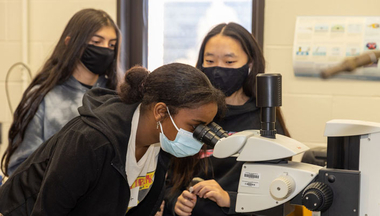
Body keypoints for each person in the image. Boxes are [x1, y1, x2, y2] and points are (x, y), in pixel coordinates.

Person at [0, 63, 226, 215]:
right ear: (160, 111)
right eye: (195, 126)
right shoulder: (91, 141)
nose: (198, 136)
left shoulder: (161, 142)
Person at [164, 22, 291, 216]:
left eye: (229, 62)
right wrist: (175, 204)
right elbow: (169, 181)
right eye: (210, 61)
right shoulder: (191, 115)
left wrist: (230, 199)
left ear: (249, 64)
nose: (218, 70)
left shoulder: (264, 121)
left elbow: (277, 199)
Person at [1, 8, 121, 176]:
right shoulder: (42, 98)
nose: (106, 50)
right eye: (96, 42)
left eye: (111, 45)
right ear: (70, 42)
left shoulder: (117, 98)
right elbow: (20, 168)